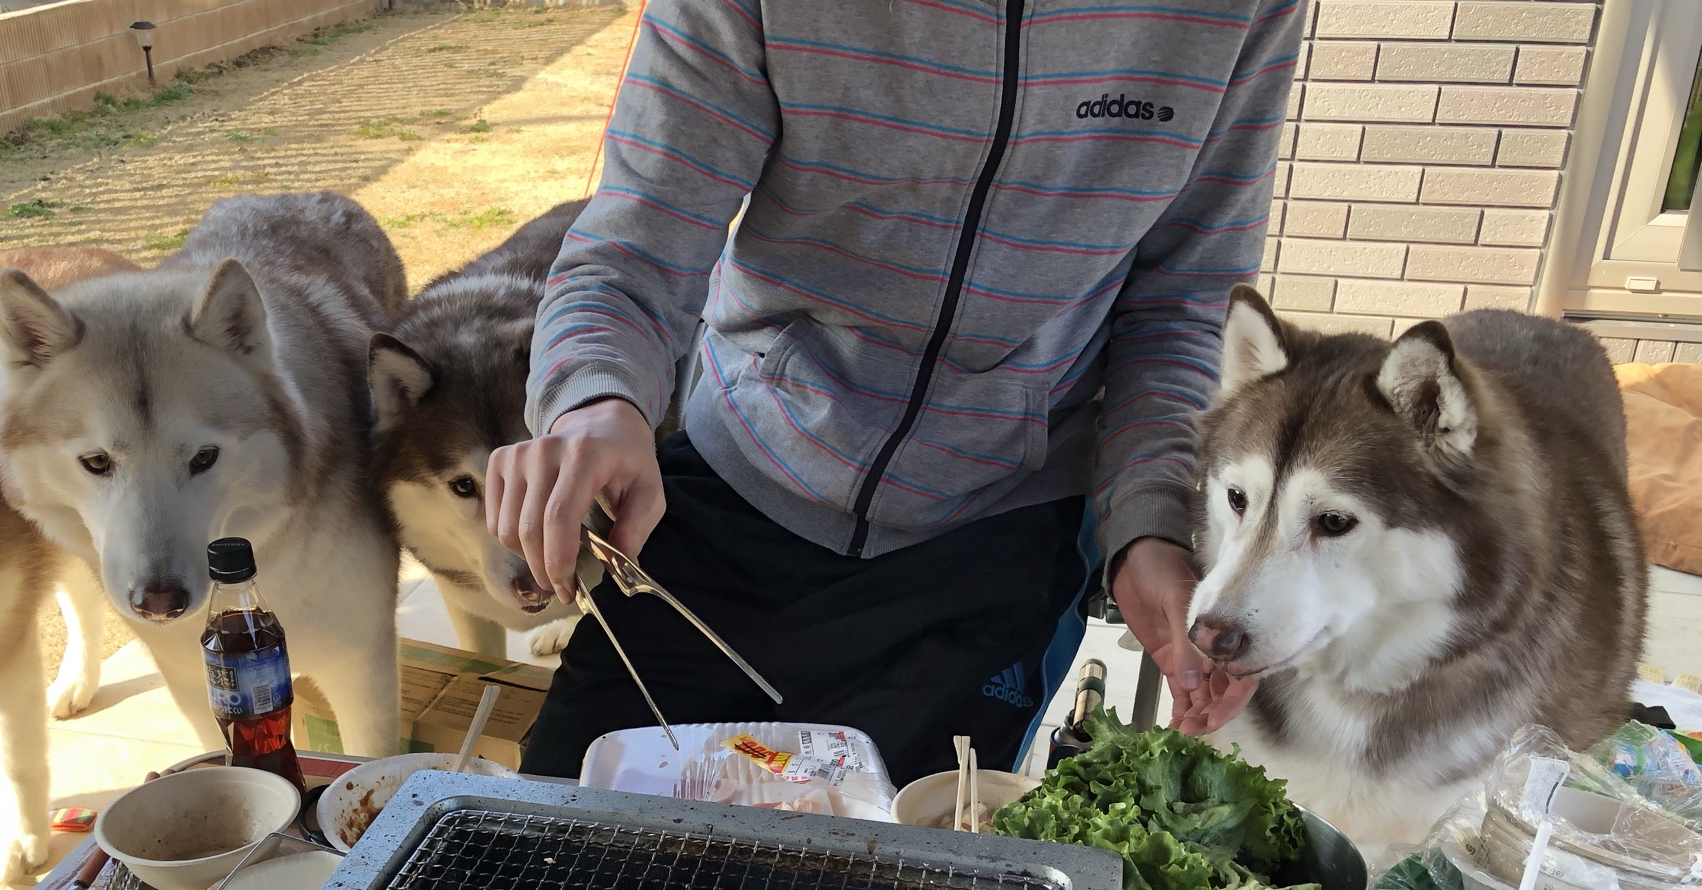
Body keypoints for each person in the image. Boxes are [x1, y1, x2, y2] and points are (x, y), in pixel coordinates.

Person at [488, 0, 1298, 783]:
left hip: (996, 534)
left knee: (902, 878)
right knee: (554, 842)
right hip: (734, 487)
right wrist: (596, 401)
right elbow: (634, 247)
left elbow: (1182, 304)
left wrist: (1153, 519)